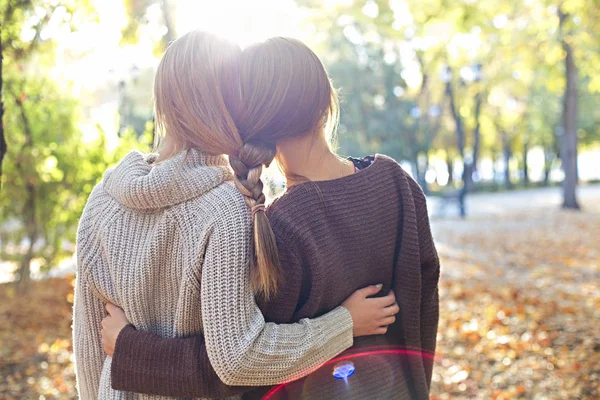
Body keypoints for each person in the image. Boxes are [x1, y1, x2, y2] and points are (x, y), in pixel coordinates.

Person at [101, 37, 440, 399]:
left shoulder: (279, 230)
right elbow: (424, 309)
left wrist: (129, 349)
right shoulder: (396, 183)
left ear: (252, 126)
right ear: (326, 103)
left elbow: (237, 367)